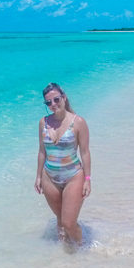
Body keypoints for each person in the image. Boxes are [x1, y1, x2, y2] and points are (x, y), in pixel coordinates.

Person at [34, 82, 91, 245]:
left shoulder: (78, 122)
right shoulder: (43, 122)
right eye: (48, 102)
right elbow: (42, 151)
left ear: (64, 98)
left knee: (69, 223)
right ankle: (65, 255)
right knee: (59, 220)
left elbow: (85, 152)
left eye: (56, 99)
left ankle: (82, 249)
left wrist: (87, 179)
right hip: (49, 176)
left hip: (73, 176)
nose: (53, 104)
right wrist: (38, 176)